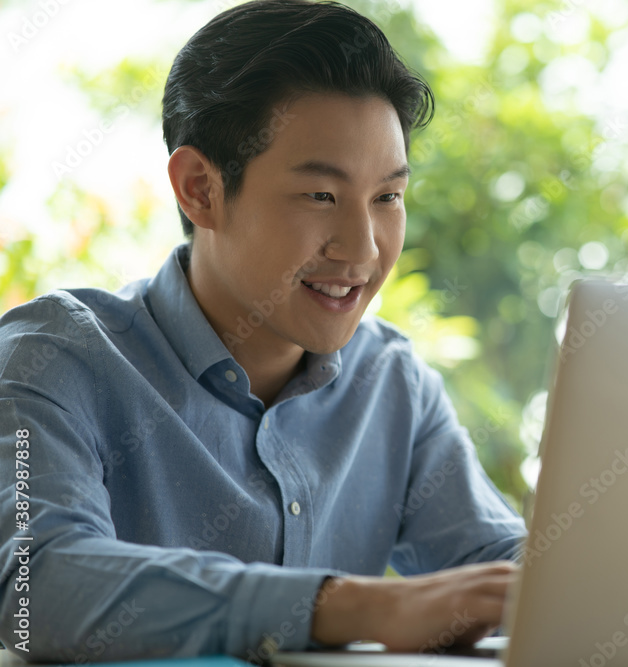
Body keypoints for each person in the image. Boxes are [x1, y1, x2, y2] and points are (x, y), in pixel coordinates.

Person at [0, 0, 526, 661]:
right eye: (321, 196)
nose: (362, 249)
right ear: (200, 189)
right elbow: (34, 584)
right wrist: (353, 605)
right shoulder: (54, 357)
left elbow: (503, 563)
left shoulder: (391, 380)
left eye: (387, 197)